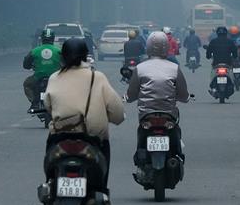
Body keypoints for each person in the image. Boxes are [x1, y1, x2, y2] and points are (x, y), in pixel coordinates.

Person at [43, 37, 124, 190]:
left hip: (60, 136)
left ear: (62, 56)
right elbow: (117, 112)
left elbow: (48, 105)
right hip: (92, 138)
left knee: (50, 157)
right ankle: (101, 190)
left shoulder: (54, 77)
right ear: (86, 56)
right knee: (103, 161)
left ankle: (49, 183)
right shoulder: (97, 77)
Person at [126, 32, 189, 163]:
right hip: (169, 114)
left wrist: (128, 98)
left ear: (148, 47)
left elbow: (131, 95)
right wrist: (185, 98)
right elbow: (183, 95)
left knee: (141, 132)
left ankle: (140, 156)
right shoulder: (174, 68)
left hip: (146, 115)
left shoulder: (140, 68)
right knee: (176, 131)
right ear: (166, 47)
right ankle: (177, 155)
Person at [22, 28, 62, 107]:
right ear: (53, 38)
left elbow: (26, 65)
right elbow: (67, 63)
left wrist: (30, 66)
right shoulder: (59, 51)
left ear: (42, 38)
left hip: (38, 77)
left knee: (27, 84)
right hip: (56, 78)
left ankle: (34, 102)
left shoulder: (34, 51)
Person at [205, 26, 239, 93]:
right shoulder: (230, 41)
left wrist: (208, 56)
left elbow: (208, 53)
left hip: (216, 63)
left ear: (217, 33)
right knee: (231, 74)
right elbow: (235, 53)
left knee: (212, 73)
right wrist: (234, 57)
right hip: (227, 63)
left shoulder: (213, 41)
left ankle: (214, 87)